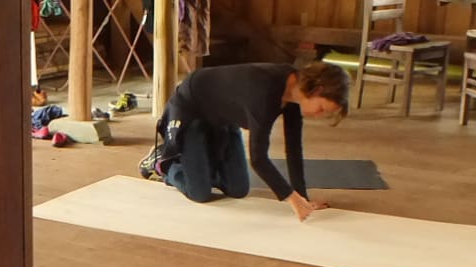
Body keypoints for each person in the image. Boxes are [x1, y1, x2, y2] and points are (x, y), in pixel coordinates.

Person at [138, 61, 351, 222]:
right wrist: (292, 199)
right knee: (200, 193)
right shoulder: (266, 91)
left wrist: (303, 197)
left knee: (238, 189)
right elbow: (258, 159)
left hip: (224, 119)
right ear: (317, 90)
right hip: (192, 112)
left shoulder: (296, 94)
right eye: (322, 108)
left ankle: (200, 164)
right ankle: (163, 164)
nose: (318, 115)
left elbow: (293, 149)